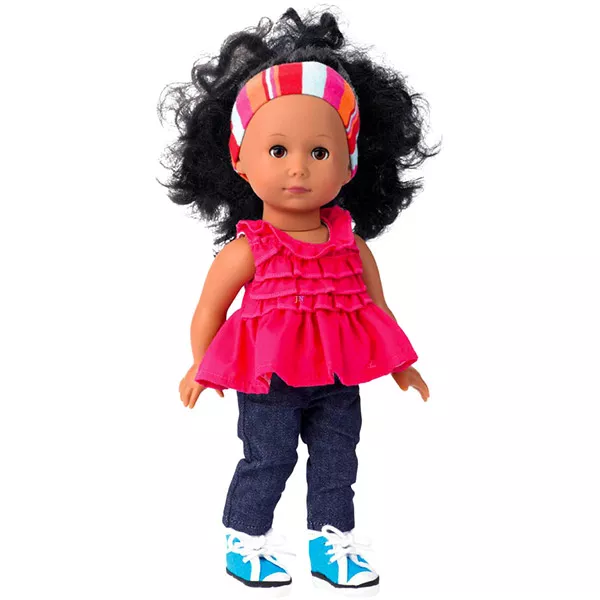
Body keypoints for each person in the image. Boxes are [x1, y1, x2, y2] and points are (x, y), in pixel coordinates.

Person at [158, 6, 439, 594]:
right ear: (239, 159)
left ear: (350, 163)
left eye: (319, 153)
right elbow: (209, 310)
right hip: (269, 381)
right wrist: (201, 365)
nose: (298, 170)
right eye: (278, 150)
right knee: (269, 458)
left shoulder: (351, 245)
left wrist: (401, 364)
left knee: (338, 460)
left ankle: (331, 543)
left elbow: (376, 309)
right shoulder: (248, 249)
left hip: (339, 376)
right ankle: (245, 541)